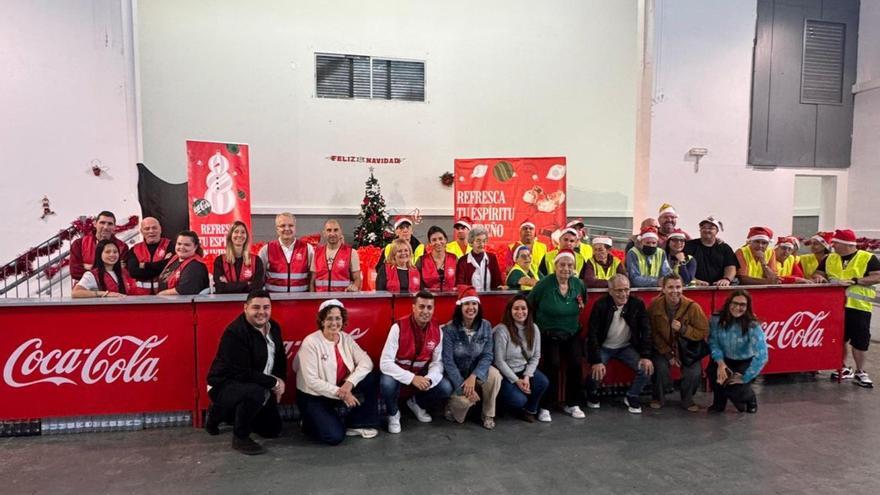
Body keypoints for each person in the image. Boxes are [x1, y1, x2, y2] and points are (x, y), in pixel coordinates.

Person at [204, 290, 286, 455]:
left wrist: (281, 380)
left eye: (266, 307)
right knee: (254, 392)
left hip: (257, 383)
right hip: (222, 384)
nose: (261, 312)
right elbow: (242, 373)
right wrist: (274, 383)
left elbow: (280, 359)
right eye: (256, 307)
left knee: (272, 430)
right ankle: (240, 437)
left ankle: (227, 413)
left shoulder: (274, 327)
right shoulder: (234, 333)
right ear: (245, 308)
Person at [293, 299, 380, 445]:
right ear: (321, 321)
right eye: (329, 318)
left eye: (338, 318)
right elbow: (312, 381)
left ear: (343, 319)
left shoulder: (345, 338)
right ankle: (309, 421)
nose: (334, 323)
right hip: (313, 396)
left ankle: (356, 422)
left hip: (339, 389)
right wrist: (343, 393)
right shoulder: (311, 342)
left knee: (371, 378)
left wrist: (349, 384)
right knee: (334, 437)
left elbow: (366, 362)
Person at [812, 229, 880, 387]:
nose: (832, 245)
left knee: (860, 340)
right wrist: (819, 277)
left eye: (836, 243)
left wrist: (855, 281)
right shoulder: (829, 258)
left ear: (846, 245)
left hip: (859, 306)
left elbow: (877, 275)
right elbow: (817, 273)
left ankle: (860, 371)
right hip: (834, 306)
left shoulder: (867, 258)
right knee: (839, 338)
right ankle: (842, 367)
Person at [379, 291, 453, 434]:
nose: (425, 311)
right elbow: (385, 363)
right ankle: (393, 414)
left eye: (429, 307)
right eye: (421, 306)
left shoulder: (438, 331)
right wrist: (412, 378)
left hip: (421, 374)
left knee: (445, 387)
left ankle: (417, 403)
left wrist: (430, 379)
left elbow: (437, 363)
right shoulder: (398, 327)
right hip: (397, 374)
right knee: (386, 383)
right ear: (413, 307)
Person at [527, 248, 588, 418]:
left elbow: (583, 302)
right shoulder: (544, 284)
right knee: (552, 365)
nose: (566, 268)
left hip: (572, 332)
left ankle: (572, 404)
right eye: (562, 264)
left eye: (570, 265)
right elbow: (530, 303)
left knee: (576, 364)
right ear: (555, 266)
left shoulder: (578, 284)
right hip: (548, 333)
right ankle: (546, 406)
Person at [585, 274, 653, 414]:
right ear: (610, 291)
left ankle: (632, 395)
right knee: (595, 371)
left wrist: (646, 356)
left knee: (646, 369)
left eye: (626, 289)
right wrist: (596, 361)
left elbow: (646, 330)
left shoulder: (637, 304)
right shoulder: (600, 305)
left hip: (626, 347)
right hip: (604, 346)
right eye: (619, 290)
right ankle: (591, 393)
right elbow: (592, 334)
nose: (623, 294)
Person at [441, 286, 502, 429]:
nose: (471, 308)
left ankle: (488, 414)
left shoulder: (486, 325)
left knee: (495, 376)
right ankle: (451, 406)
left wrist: (474, 376)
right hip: (457, 373)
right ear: (460, 307)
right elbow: (448, 362)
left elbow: (488, 355)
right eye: (467, 304)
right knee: (463, 403)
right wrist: (465, 387)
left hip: (476, 371)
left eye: (474, 303)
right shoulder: (449, 329)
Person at [648, 274, 709, 411]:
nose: (674, 291)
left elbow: (703, 331)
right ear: (663, 289)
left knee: (694, 373)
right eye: (670, 287)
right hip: (663, 348)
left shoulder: (693, 307)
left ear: (683, 288)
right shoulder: (654, 306)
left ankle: (687, 399)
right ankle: (658, 397)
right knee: (660, 368)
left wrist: (684, 329)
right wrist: (668, 354)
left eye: (678, 287)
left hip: (686, 349)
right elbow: (652, 332)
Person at [708, 290, 769, 413]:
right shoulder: (716, 319)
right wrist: (720, 363)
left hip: (744, 362)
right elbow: (713, 342)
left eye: (742, 305)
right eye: (734, 303)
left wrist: (746, 377)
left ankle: (750, 398)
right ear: (728, 303)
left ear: (747, 307)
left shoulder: (753, 325)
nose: (737, 307)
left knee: (737, 391)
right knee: (715, 376)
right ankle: (719, 403)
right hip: (724, 359)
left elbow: (762, 355)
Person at [493, 295, 551, 423]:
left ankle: (530, 410)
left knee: (543, 382)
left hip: (523, 369)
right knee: (518, 399)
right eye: (516, 309)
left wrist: (527, 376)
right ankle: (511, 406)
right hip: (506, 373)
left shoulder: (534, 328)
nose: (520, 312)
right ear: (510, 311)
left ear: (529, 310)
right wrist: (516, 381)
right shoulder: (502, 330)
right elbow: (499, 361)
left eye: (523, 308)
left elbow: (536, 356)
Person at [69, 210, 129, 286]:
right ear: (95, 224)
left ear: (114, 226)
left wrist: (89, 267)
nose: (106, 227)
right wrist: (109, 268)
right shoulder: (79, 244)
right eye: (102, 223)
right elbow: (75, 272)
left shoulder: (122, 246)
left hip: (113, 290)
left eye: (110, 224)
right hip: (85, 291)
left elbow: (122, 273)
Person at [259, 212, 314, 293]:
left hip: (301, 302)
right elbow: (260, 279)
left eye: (291, 225)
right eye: (282, 226)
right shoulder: (266, 249)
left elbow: (313, 279)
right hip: (274, 302)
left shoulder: (307, 249)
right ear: (277, 229)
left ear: (295, 228)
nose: (287, 229)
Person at [683, 215, 738, 286]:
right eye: (703, 228)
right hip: (694, 288)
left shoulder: (725, 248)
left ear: (717, 231)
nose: (706, 230)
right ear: (700, 230)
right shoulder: (689, 246)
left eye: (711, 228)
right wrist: (693, 280)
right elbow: (682, 266)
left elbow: (731, 266)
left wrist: (726, 279)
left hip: (719, 289)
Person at [213, 221, 265, 294]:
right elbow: (219, 287)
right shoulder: (220, 261)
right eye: (236, 232)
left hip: (249, 302)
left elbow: (258, 286)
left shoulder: (256, 260)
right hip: (226, 302)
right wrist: (247, 284)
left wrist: (229, 286)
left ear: (247, 237)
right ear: (230, 236)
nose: (239, 235)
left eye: (243, 232)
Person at [310, 219, 362, 292]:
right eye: (329, 230)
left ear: (341, 232)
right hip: (321, 301)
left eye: (336, 230)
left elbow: (357, 279)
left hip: (342, 301)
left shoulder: (352, 253)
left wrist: (355, 286)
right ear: (324, 233)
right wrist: (312, 300)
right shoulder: (316, 253)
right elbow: (312, 282)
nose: (332, 234)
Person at [72, 240, 136, 298]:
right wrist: (105, 294)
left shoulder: (123, 272)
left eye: (115, 252)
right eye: (107, 252)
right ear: (100, 254)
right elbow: (75, 293)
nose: (112, 254)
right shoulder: (91, 275)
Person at [125, 217, 172, 295]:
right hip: (140, 297)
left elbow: (170, 268)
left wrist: (144, 265)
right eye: (147, 229)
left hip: (165, 295)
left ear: (160, 229)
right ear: (141, 231)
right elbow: (134, 272)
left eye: (154, 228)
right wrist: (160, 268)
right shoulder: (134, 249)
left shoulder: (170, 246)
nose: (151, 231)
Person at [156, 231, 209, 295]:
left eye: (187, 245)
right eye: (179, 244)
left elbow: (184, 290)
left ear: (195, 247)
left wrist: (159, 295)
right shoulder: (174, 258)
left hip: (181, 303)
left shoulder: (196, 266)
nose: (181, 247)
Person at [455, 226, 503, 291]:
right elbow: (460, 285)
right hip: (470, 299)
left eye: (484, 241)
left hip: (490, 298)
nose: (482, 244)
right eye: (478, 241)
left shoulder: (492, 258)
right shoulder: (463, 261)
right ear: (471, 242)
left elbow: (498, 282)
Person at [417, 226, 457, 291]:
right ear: (429, 243)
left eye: (440, 238)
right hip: (428, 299)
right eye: (434, 240)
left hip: (450, 298)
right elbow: (418, 284)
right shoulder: (422, 260)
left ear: (446, 240)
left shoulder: (454, 258)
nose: (438, 242)